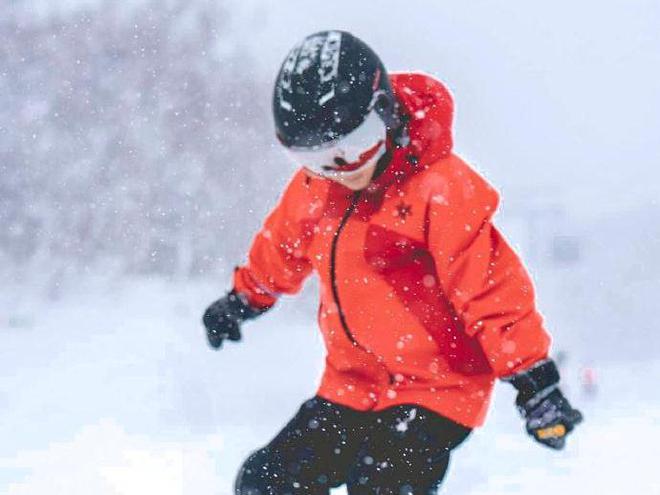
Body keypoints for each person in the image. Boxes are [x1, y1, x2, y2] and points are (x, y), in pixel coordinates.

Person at [202, 30, 583, 495]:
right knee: (267, 481)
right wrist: (244, 298)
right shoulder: (317, 190)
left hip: (438, 389)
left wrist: (533, 381)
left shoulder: (439, 190)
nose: (341, 169)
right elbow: (281, 248)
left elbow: (489, 289)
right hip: (351, 384)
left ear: (384, 114)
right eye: (316, 158)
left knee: (380, 483)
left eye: (353, 145)